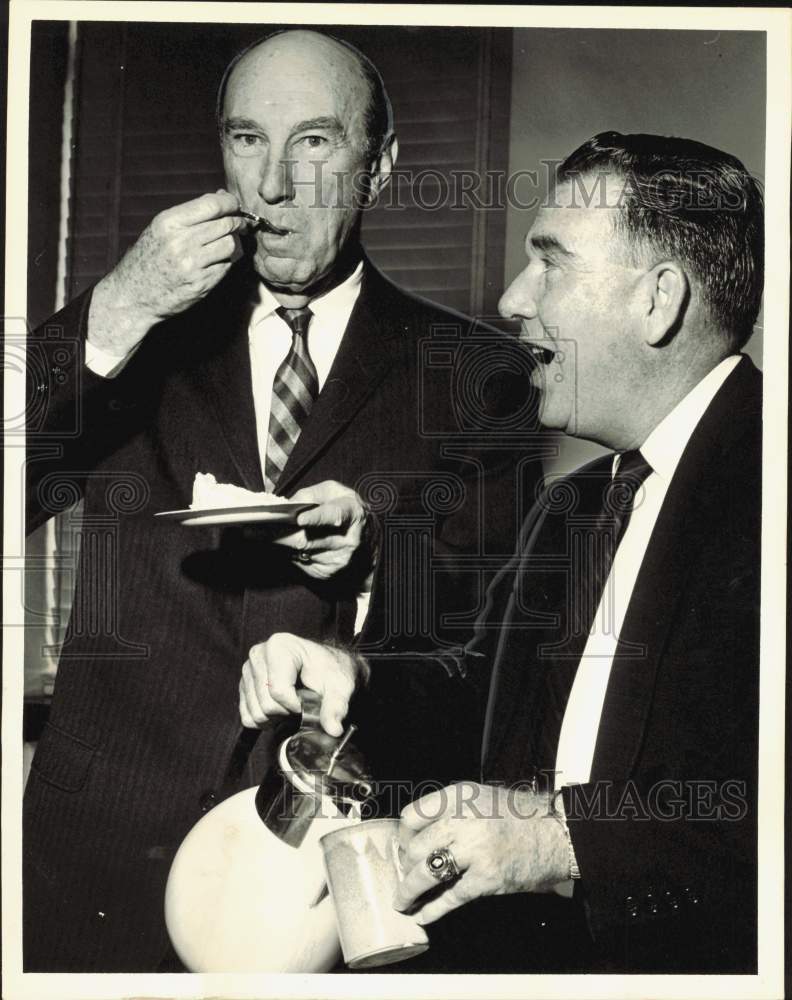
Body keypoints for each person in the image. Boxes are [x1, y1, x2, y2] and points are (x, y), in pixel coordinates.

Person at [23, 30, 534, 971]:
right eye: (248, 139)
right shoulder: (140, 333)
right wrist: (122, 305)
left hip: (328, 882)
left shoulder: (478, 377)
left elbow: (484, 647)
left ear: (378, 166)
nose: (272, 185)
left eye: (314, 141)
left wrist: (383, 552)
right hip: (99, 857)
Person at [240, 131, 763, 973]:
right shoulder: (576, 505)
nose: (514, 298)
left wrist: (559, 841)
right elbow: (482, 691)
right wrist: (355, 674)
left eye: (550, 263)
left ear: (659, 299)